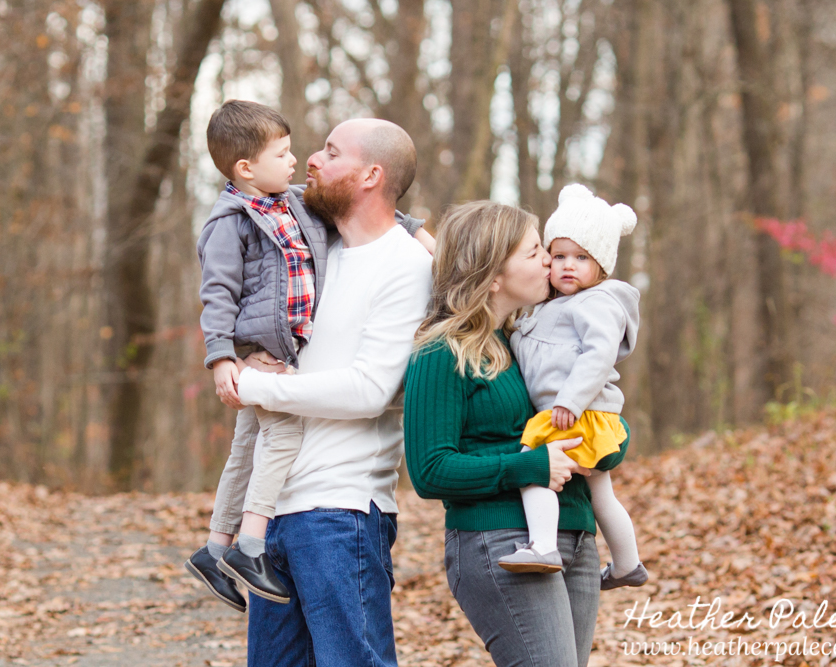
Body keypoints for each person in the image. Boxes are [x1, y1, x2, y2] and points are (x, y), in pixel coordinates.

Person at [185, 101, 432, 618]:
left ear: (371, 175)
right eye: (295, 151)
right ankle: (219, 548)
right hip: (278, 506)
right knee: (242, 452)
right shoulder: (287, 228)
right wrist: (225, 358)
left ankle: (231, 545)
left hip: (339, 509)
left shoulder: (403, 263)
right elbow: (219, 292)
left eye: (330, 151)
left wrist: (419, 231)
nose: (309, 159)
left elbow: (368, 392)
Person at [404, 200, 600, 667]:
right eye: (535, 253)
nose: (551, 261)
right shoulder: (441, 352)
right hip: (501, 540)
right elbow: (430, 471)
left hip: (573, 535)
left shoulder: (525, 342)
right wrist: (529, 464)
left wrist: (610, 442)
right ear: (493, 275)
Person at [497, 184, 648, 591]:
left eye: (582, 258)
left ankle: (543, 545)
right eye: (559, 255)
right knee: (602, 492)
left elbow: (598, 356)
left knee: (535, 467)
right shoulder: (554, 305)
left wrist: (570, 400)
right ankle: (627, 564)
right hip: (581, 413)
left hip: (575, 412)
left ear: (602, 265)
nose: (567, 265)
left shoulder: (598, 302)